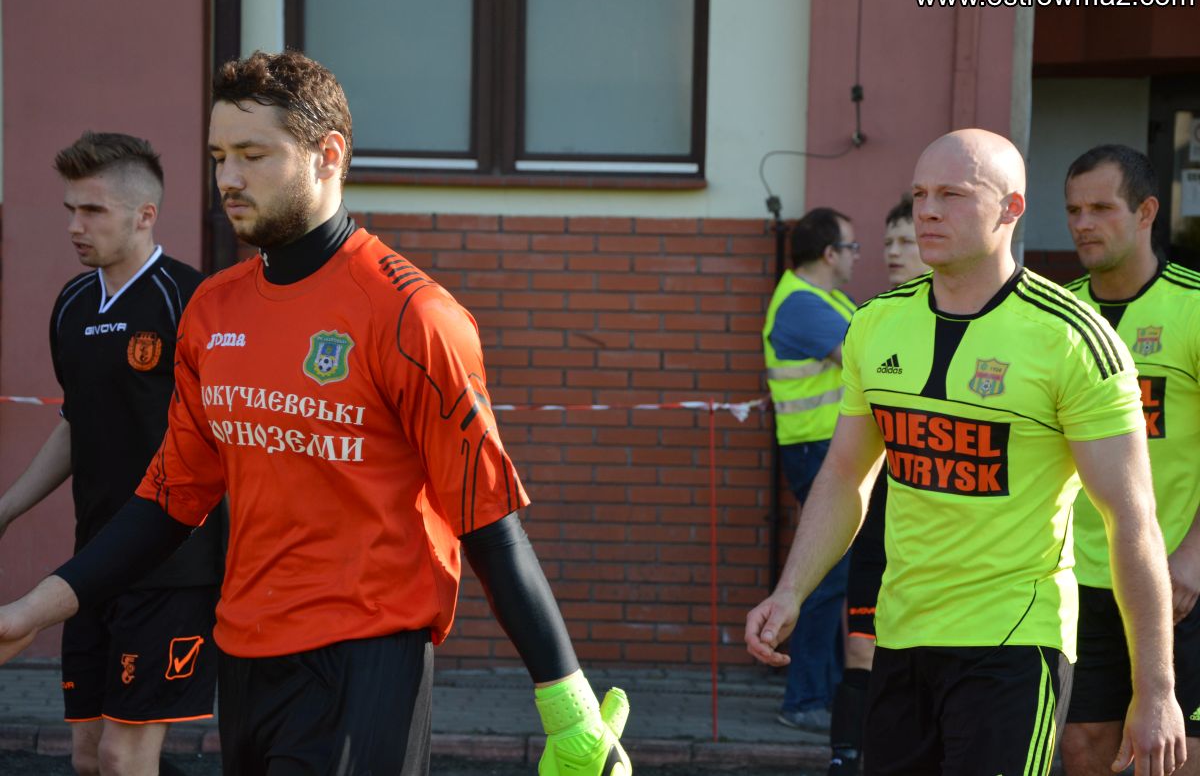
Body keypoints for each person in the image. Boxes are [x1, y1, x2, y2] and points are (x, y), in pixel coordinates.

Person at [0, 51, 630, 776]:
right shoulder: (212, 310)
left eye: (253, 155)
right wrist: (33, 610)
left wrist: (568, 707)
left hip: (367, 658)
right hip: (245, 657)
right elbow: (168, 502)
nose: (228, 179)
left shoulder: (413, 314)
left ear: (328, 155)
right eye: (219, 157)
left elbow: (488, 523)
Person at [745, 128, 1188, 774]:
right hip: (902, 636)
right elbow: (844, 475)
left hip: (1013, 644)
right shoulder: (875, 323)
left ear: (1011, 208)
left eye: (952, 195)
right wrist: (790, 591)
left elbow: (1132, 519)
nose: (927, 211)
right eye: (920, 194)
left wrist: (1156, 689)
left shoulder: (1072, 338)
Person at [0, 132, 223, 776]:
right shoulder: (71, 305)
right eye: (70, 209)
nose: (75, 226)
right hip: (91, 566)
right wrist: (7, 508)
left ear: (144, 214)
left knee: (127, 755)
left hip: (172, 567)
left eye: (93, 210)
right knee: (89, 756)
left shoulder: (190, 300)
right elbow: (77, 423)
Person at [1060, 144, 1200, 775]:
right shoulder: (1055, 315)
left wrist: (1193, 557)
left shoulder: (1192, 306)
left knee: (1176, 756)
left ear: (1146, 212)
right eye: (1073, 210)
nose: (1083, 223)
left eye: (1101, 208)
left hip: (1179, 579)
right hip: (1079, 579)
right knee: (1082, 746)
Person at [827, 193, 929, 775]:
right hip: (873, 520)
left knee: (911, 663)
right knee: (860, 648)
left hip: (938, 538)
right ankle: (844, 758)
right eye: (888, 241)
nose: (893, 251)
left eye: (905, 241)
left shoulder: (970, 327)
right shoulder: (872, 321)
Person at [762, 207, 859, 731]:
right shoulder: (803, 304)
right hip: (816, 450)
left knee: (834, 571)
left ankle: (828, 692)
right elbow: (867, 362)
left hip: (826, 449)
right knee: (826, 572)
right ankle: (804, 701)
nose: (856, 256)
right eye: (851, 247)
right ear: (829, 253)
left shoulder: (825, 299)